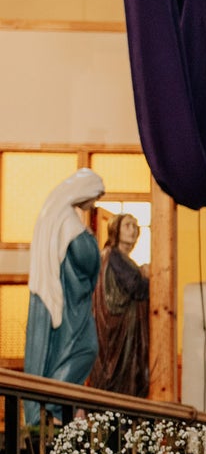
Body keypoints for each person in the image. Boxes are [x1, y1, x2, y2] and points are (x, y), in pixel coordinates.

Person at [23, 168, 104, 389]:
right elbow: (85, 257)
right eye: (96, 195)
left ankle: (56, 405)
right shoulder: (66, 219)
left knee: (80, 350)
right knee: (84, 349)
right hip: (69, 302)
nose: (96, 202)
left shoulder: (66, 216)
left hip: (76, 299)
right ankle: (53, 402)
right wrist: (90, 240)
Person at [89, 213, 150, 397]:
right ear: (115, 229)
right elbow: (135, 287)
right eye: (127, 225)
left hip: (123, 331)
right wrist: (146, 275)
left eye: (135, 226)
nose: (133, 230)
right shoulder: (114, 256)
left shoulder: (121, 259)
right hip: (115, 332)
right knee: (118, 382)